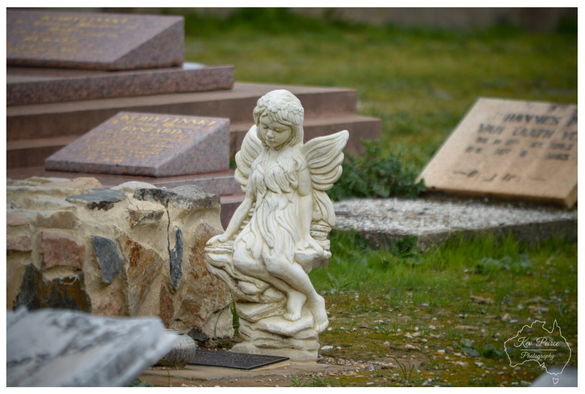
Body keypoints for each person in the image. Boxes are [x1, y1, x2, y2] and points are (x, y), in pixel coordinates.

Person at [207, 90, 347, 333]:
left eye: (278, 130)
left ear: (293, 131)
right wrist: (228, 235)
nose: (269, 135)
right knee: (241, 260)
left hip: (284, 220)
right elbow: (248, 200)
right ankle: (292, 290)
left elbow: (305, 197)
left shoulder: (297, 160)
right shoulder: (260, 160)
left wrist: (304, 236)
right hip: (260, 221)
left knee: (274, 261)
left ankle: (314, 298)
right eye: (265, 127)